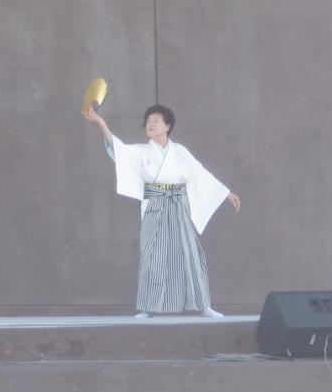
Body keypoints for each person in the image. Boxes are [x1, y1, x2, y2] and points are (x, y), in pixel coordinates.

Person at [84, 103, 240, 318]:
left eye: (156, 121)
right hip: (155, 204)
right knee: (152, 255)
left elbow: (200, 173)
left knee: (190, 253)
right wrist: (101, 123)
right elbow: (118, 148)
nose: (151, 124)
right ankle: (149, 306)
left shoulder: (180, 152)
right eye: (148, 121)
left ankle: (201, 304)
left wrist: (225, 193)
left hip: (178, 204)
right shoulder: (141, 152)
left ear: (167, 126)